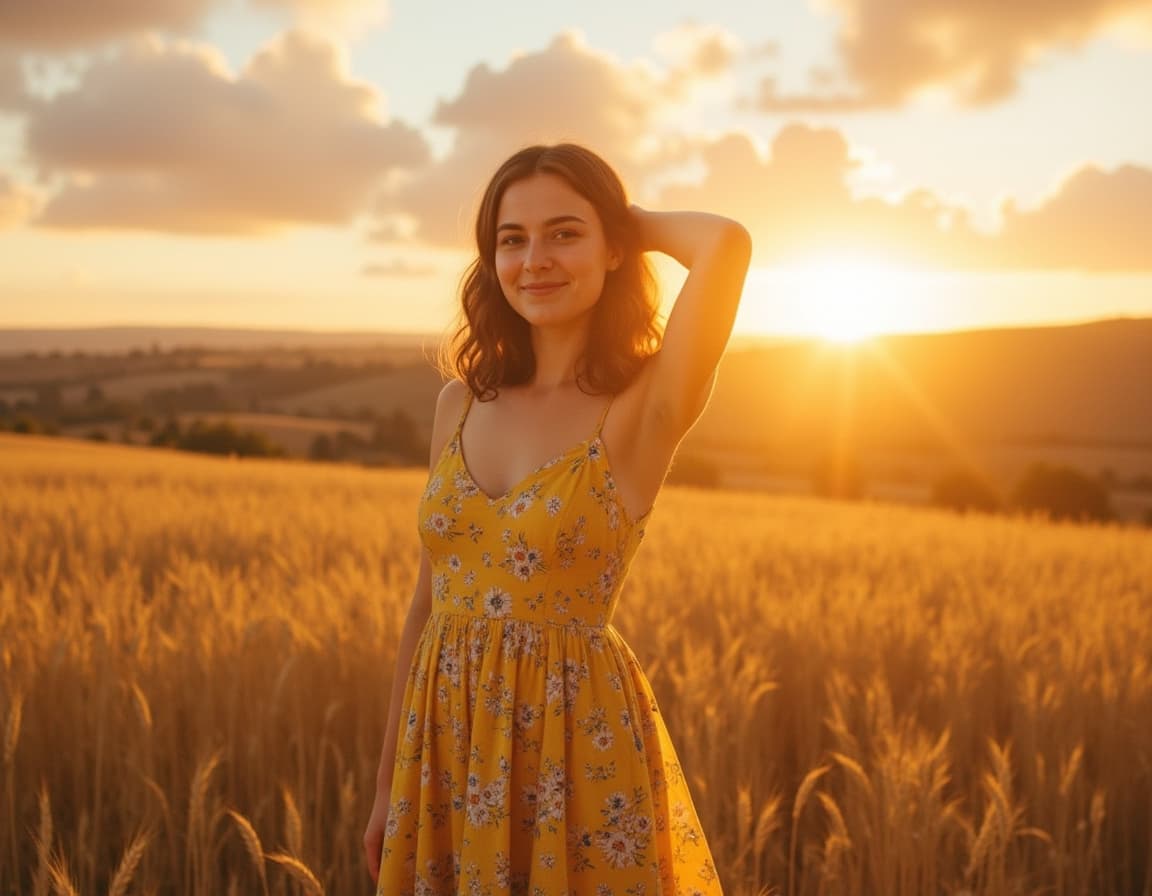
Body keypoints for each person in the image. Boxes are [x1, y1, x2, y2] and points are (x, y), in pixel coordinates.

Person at [363, 143, 751, 895]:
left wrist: (619, 218)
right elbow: (425, 608)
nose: (534, 259)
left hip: (573, 749)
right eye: (512, 239)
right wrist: (389, 786)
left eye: (564, 233)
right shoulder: (461, 402)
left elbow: (724, 243)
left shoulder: (646, 404)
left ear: (615, 250)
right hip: (444, 750)